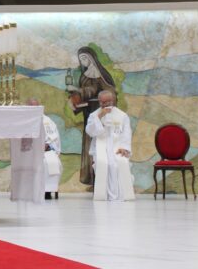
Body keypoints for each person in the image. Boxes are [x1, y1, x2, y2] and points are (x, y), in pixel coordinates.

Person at [73, 47, 116, 185]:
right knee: (88, 141)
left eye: (85, 58)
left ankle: (102, 177)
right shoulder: (85, 75)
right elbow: (85, 92)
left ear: (91, 58)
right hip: (88, 113)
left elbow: (109, 91)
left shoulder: (101, 74)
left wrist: (81, 91)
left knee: (100, 142)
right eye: (81, 59)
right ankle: (89, 177)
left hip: (100, 112)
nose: (83, 62)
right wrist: (75, 98)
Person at [85, 90, 135, 201]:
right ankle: (104, 195)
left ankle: (121, 195)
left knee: (118, 164)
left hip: (117, 148)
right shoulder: (94, 115)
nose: (104, 104)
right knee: (104, 164)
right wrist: (99, 117)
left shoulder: (122, 115)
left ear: (112, 100)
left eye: (107, 102)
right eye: (101, 102)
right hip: (100, 148)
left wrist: (124, 148)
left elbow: (126, 133)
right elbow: (90, 132)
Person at [26, 98, 63, 199]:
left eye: (36, 107)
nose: (34, 109)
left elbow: (54, 137)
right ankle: (32, 190)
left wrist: (46, 145)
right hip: (31, 151)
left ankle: (47, 190)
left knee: (51, 162)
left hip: (46, 151)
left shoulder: (47, 121)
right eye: (31, 107)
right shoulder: (24, 121)